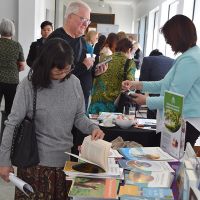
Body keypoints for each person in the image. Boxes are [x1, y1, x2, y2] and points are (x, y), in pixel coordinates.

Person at [0, 38, 104, 200]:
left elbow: (78, 116)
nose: (63, 75)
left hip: (65, 165)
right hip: (34, 166)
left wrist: (92, 128)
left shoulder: (74, 83)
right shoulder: (28, 86)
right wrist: (4, 161)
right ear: (45, 65)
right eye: (58, 71)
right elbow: (12, 124)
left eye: (67, 70)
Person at [122, 15, 200, 146]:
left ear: (178, 36)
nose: (168, 42)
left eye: (169, 38)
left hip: (184, 122)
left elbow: (175, 98)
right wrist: (137, 84)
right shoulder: (188, 56)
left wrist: (146, 100)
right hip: (178, 120)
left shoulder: (190, 59)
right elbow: (164, 84)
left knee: (171, 162)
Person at [48, 0, 107, 110]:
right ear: (70, 16)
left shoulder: (81, 40)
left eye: (88, 21)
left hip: (81, 102)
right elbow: (55, 75)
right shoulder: (56, 40)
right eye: (83, 19)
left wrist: (95, 72)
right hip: (61, 104)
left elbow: (82, 69)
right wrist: (84, 66)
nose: (86, 24)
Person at [89, 38, 136, 114]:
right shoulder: (130, 63)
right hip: (113, 104)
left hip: (96, 101)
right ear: (129, 50)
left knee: (94, 124)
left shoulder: (105, 58)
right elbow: (130, 84)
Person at [0, 18, 25, 138]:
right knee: (10, 111)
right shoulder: (17, 45)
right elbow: (22, 66)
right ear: (12, 30)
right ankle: (5, 136)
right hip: (12, 82)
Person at [139, 49, 174, 119]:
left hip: (155, 102)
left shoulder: (147, 60)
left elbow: (142, 81)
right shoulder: (173, 61)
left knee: (150, 125)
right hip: (170, 103)